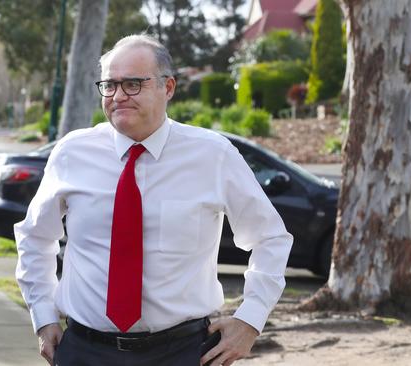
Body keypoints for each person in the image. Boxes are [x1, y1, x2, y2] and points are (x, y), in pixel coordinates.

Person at [15, 34, 293, 366]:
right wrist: (43, 316)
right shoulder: (72, 153)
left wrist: (250, 320)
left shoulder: (212, 155)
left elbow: (271, 238)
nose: (119, 96)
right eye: (110, 85)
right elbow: (35, 237)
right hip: (84, 351)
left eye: (133, 83)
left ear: (169, 87)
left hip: (182, 353)